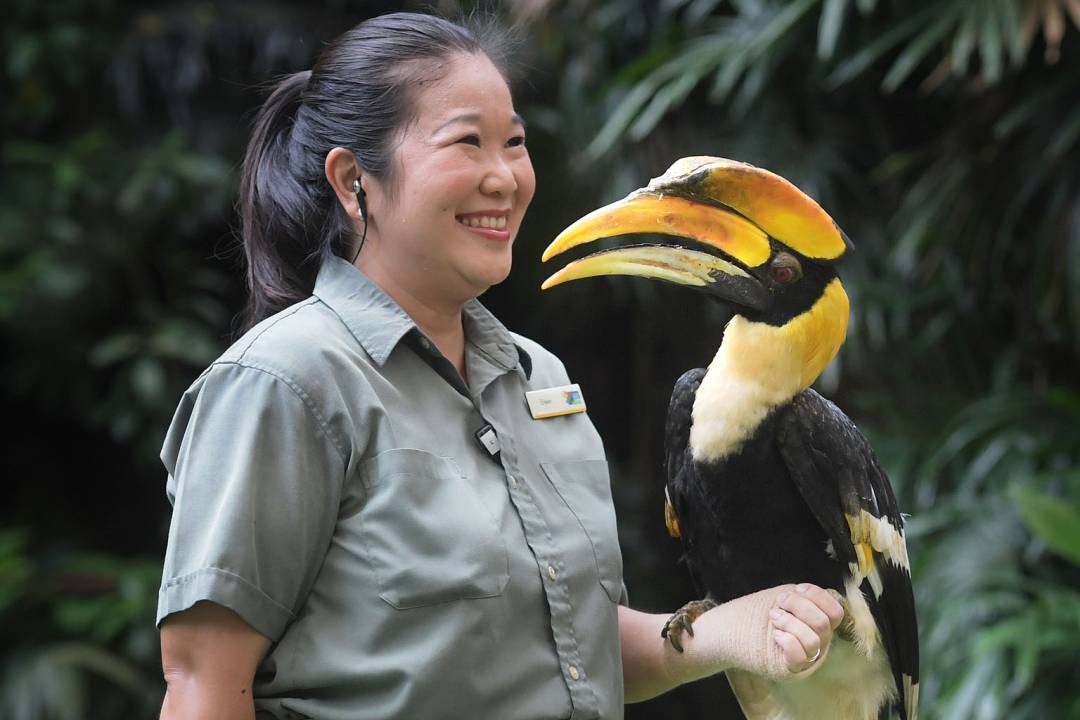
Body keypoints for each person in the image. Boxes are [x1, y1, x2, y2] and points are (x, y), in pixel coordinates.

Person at [157, 12, 843, 720]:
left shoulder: (537, 377)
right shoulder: (285, 383)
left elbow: (568, 648)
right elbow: (205, 686)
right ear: (352, 179)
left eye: (514, 142)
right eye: (467, 143)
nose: (505, 177)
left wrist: (720, 635)